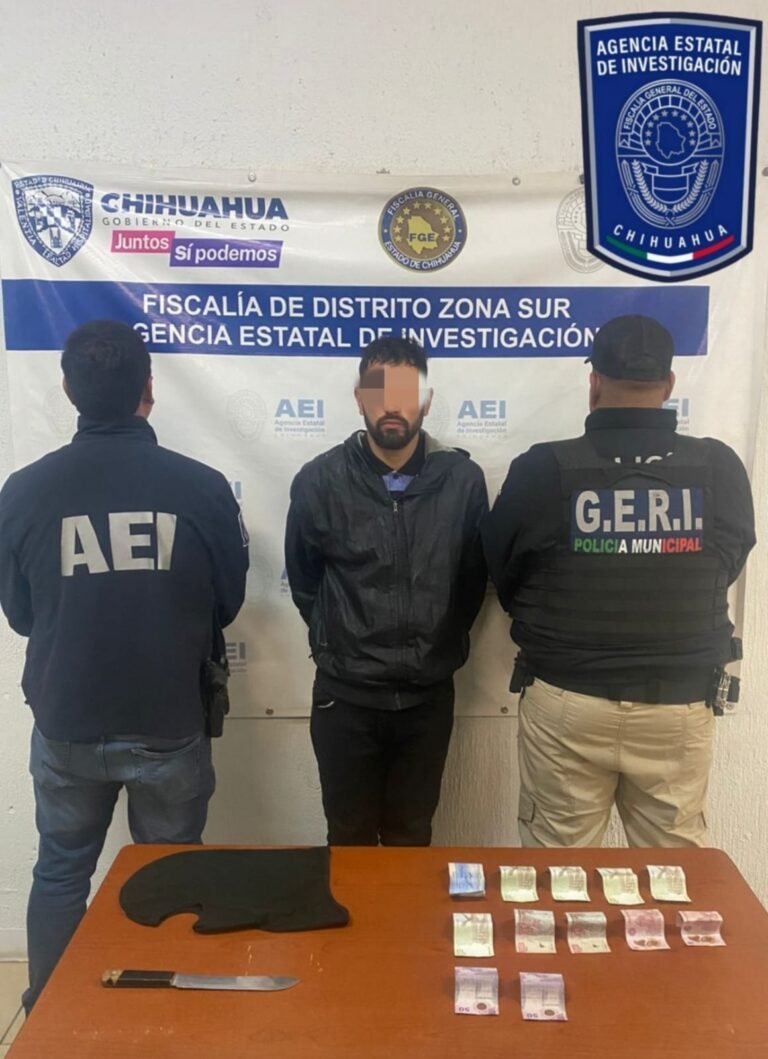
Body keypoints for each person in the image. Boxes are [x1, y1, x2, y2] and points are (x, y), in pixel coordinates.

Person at [0, 320, 249, 1010]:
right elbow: (226, 603)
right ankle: (159, 1020)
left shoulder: (22, 492)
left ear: (68, 390)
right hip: (168, 722)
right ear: (149, 388)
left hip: (67, 721)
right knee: (169, 873)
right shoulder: (201, 488)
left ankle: (50, 1017)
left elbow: (20, 613)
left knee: (60, 871)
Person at [482, 314, 755, 849]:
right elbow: (728, 562)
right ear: (669, 384)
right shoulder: (717, 466)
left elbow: (503, 570)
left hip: (568, 700)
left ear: (594, 383)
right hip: (678, 703)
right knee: (673, 875)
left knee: (560, 872)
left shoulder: (543, 468)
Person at [285, 336, 488, 847]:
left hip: (427, 699)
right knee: (348, 837)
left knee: (411, 836)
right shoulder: (319, 480)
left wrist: (435, 645)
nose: (392, 406)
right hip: (345, 698)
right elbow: (305, 582)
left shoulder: (462, 480)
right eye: (379, 392)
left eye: (406, 392)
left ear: (426, 401)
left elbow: (470, 583)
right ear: (360, 398)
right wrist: (341, 639)